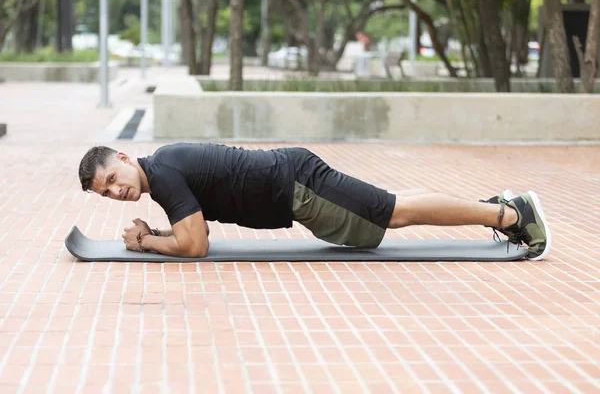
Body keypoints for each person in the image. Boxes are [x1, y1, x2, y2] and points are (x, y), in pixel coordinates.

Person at [77, 143, 551, 260]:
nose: (117, 192)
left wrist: (145, 243)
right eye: (108, 193)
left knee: (394, 213)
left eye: (113, 179)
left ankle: (511, 215)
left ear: (123, 157)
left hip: (298, 187)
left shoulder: (163, 172)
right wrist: (161, 234)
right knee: (393, 206)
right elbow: (189, 230)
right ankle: (497, 206)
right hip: (295, 181)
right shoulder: (162, 169)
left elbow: (195, 245)